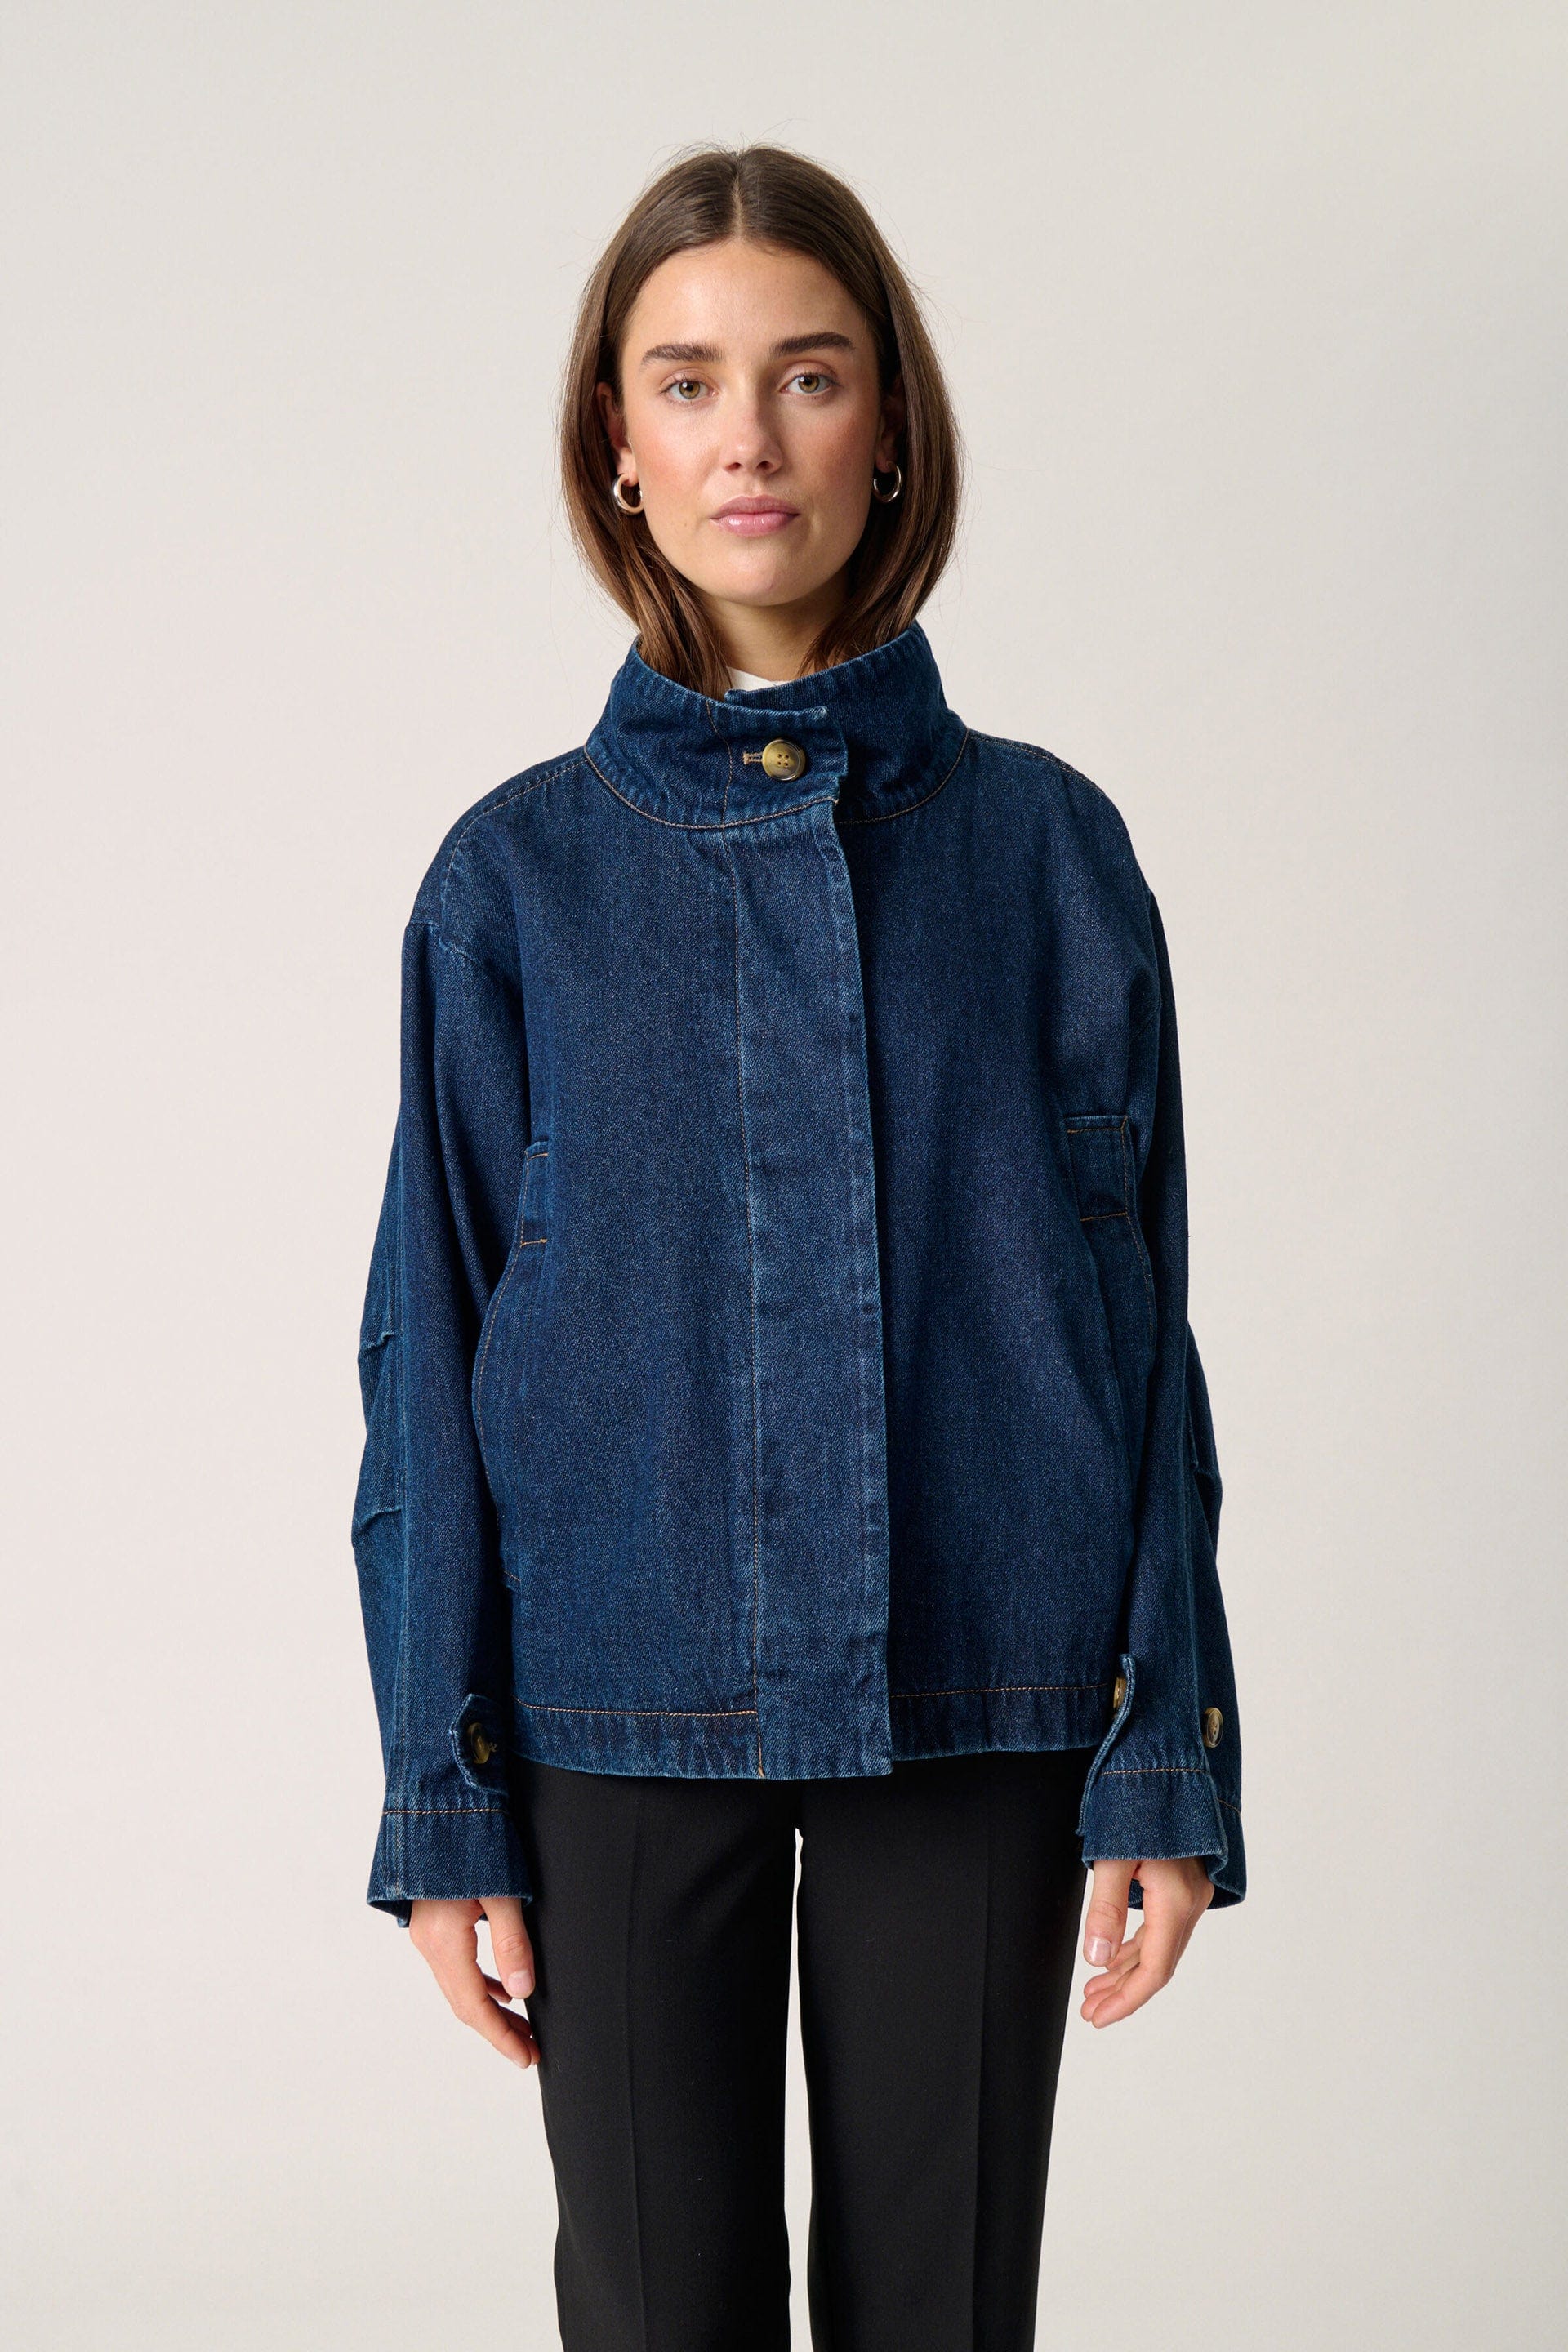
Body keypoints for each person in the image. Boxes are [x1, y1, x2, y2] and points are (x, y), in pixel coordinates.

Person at [350, 140, 1246, 2352]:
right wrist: (442, 1796)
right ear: (618, 444)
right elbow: (427, 1349)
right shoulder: (513, 885)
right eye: (687, 381)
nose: (747, 434)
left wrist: (1166, 1747)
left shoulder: (1050, 857)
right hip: (614, 1693)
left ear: (892, 428)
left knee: (942, 2313)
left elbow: (1149, 1337)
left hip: (989, 1672)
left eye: (809, 374)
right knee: (658, 2312)